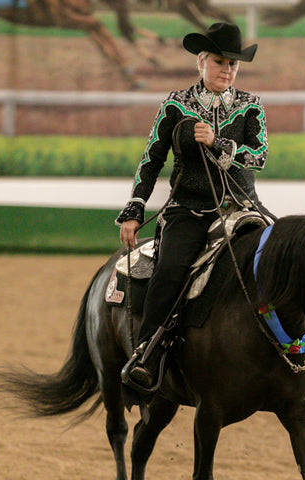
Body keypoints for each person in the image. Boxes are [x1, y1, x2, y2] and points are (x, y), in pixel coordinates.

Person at [117, 22, 271, 391]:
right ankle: (146, 356)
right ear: (201, 62)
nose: (227, 70)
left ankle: (297, 351)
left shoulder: (252, 106)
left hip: (240, 206)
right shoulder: (175, 105)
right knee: (169, 273)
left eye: (233, 64)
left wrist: (220, 144)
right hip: (188, 208)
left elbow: (260, 157)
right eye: (220, 61)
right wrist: (135, 209)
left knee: (277, 265)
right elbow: (151, 160)